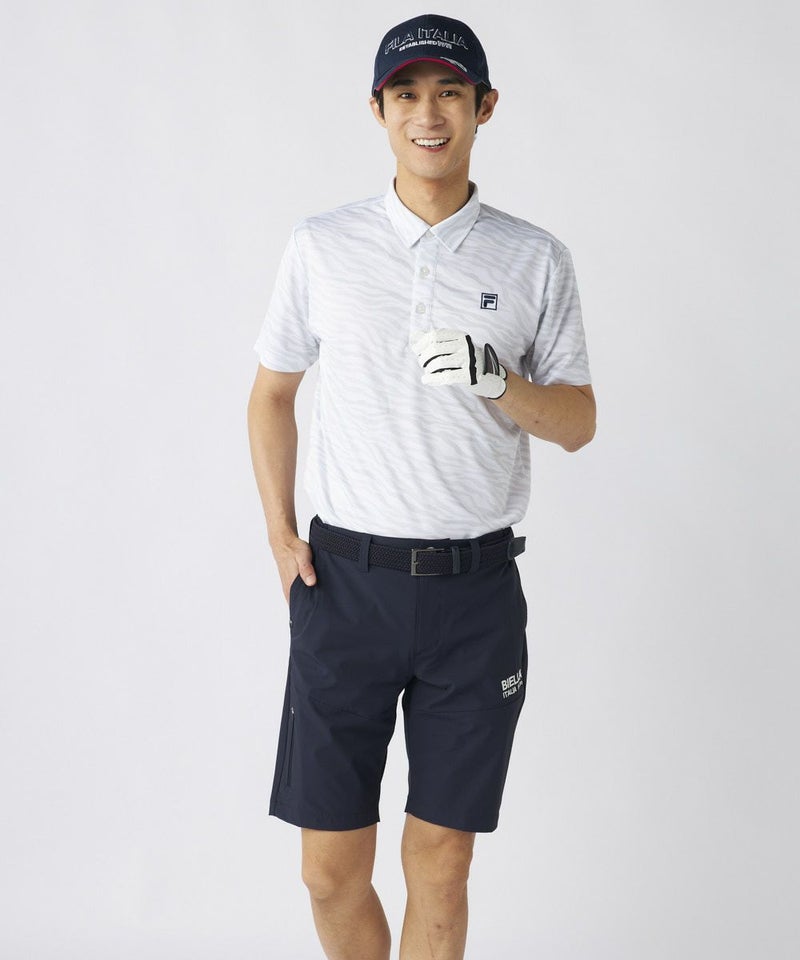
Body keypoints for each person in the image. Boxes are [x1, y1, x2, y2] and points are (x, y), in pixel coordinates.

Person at [247, 13, 595, 960]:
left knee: (441, 862)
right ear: (379, 109)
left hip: (474, 597)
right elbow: (272, 393)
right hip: (344, 588)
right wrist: (281, 535)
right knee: (328, 870)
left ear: (485, 106)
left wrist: (498, 380)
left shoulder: (534, 258)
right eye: (406, 93)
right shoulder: (323, 245)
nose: (428, 114)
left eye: (449, 92)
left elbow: (577, 423)